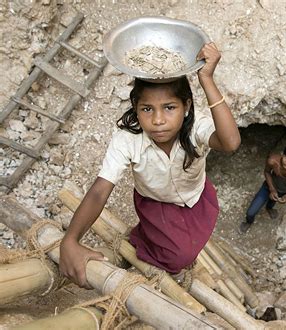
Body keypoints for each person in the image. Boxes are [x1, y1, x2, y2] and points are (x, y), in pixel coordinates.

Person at [59, 43, 240, 288]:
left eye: (169, 108)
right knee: (180, 256)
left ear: (186, 107)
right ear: (135, 108)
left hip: (194, 196)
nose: (157, 120)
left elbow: (230, 142)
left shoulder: (197, 126)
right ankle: (157, 254)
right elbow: (100, 189)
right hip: (156, 203)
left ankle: (163, 248)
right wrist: (70, 240)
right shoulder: (127, 139)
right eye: (146, 109)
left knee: (192, 245)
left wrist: (206, 78)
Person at [239, 145, 286, 234]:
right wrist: (272, 189)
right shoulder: (273, 161)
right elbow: (267, 171)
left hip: (283, 190)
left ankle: (269, 208)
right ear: (282, 155)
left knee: (272, 201)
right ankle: (248, 222)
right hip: (268, 187)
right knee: (250, 213)